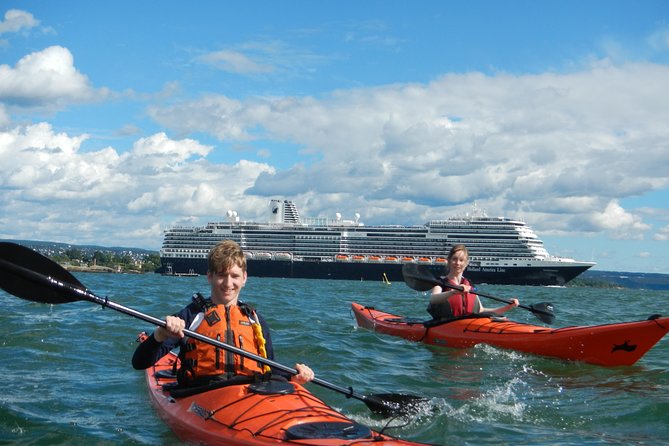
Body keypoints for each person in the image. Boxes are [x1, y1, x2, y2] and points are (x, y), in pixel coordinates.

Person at [132, 240, 314, 387]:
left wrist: (293, 376)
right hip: (200, 395)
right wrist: (160, 335)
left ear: (244, 278)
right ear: (209, 276)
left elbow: (270, 370)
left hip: (249, 395)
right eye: (221, 275)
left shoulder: (255, 320)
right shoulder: (191, 316)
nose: (228, 283)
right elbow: (139, 363)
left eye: (234, 276)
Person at [427, 244, 519, 320]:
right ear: (449, 261)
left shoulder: (469, 284)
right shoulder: (441, 283)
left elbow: (481, 311)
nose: (458, 263)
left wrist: (507, 307)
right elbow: (433, 299)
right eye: (454, 259)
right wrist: (453, 292)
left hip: (468, 325)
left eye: (461, 260)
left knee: (501, 318)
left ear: (466, 263)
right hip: (446, 325)